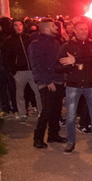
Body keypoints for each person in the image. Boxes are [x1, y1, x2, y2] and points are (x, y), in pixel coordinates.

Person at [56, 17, 92, 153]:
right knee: (71, 116)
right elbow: (57, 66)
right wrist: (70, 66)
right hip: (73, 85)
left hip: (91, 85)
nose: (84, 31)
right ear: (74, 30)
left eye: (86, 29)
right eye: (81, 29)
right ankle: (71, 142)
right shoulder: (67, 46)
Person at [28, 20, 66, 148]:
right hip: (48, 82)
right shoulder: (37, 44)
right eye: (53, 26)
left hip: (58, 80)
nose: (56, 28)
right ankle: (37, 138)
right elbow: (37, 65)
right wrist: (47, 81)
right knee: (47, 110)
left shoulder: (55, 42)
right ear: (45, 28)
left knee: (56, 110)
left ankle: (53, 135)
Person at [2, 19, 41, 123]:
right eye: (16, 25)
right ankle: (22, 113)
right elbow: (6, 57)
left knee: (38, 92)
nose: (18, 27)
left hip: (32, 70)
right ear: (12, 27)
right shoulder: (9, 41)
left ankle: (41, 112)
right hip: (19, 71)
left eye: (20, 25)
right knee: (20, 94)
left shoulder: (29, 38)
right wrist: (13, 71)